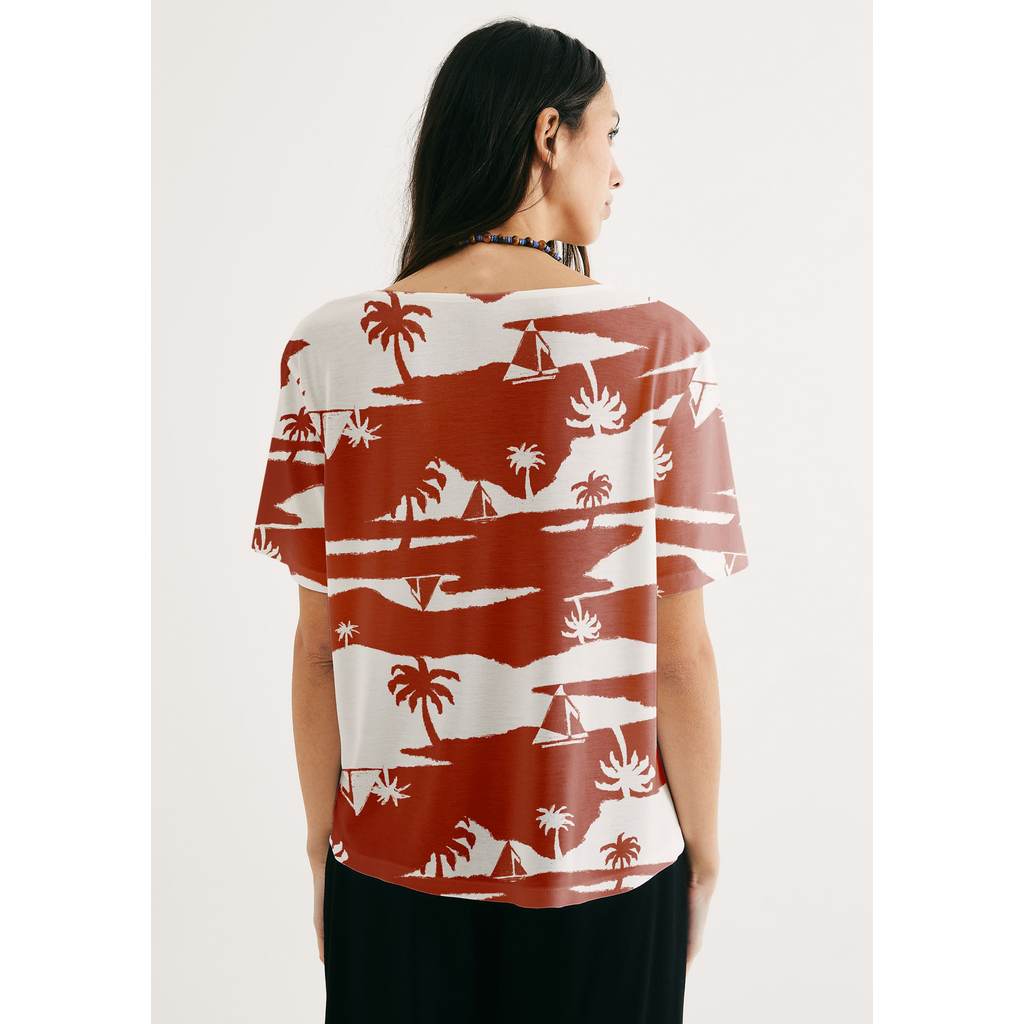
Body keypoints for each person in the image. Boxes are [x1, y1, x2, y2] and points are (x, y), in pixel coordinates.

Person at [251, 17, 749, 1023]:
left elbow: (318, 646)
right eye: (611, 134)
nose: (619, 171)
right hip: (605, 865)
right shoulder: (660, 348)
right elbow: (678, 654)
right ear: (549, 136)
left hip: (388, 865)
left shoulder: (327, 349)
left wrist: (321, 847)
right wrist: (703, 851)